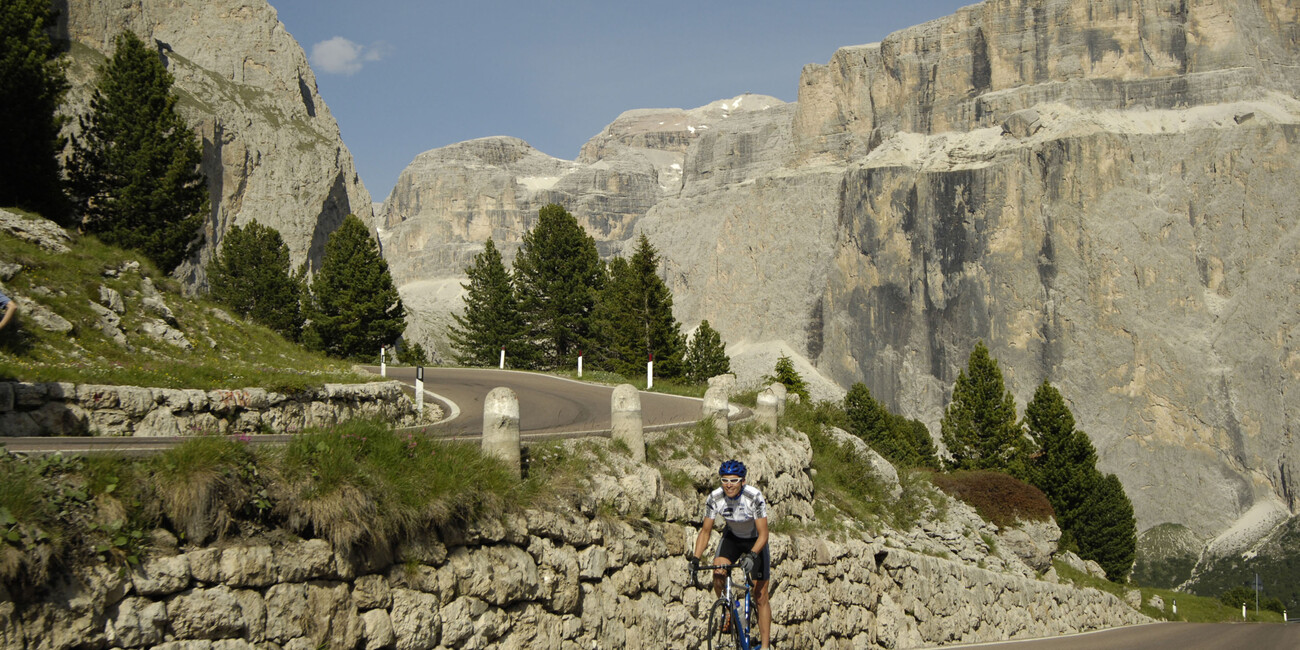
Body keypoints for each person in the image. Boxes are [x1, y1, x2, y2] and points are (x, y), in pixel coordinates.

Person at [690, 459, 772, 649]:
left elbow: (764, 534)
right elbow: (705, 531)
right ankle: (730, 608)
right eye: (725, 480)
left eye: (734, 480)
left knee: (760, 594)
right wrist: (695, 558)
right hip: (732, 538)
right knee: (718, 572)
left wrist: (752, 555)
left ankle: (765, 646)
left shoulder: (754, 497)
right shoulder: (715, 498)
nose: (729, 485)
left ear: (743, 481)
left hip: (755, 540)